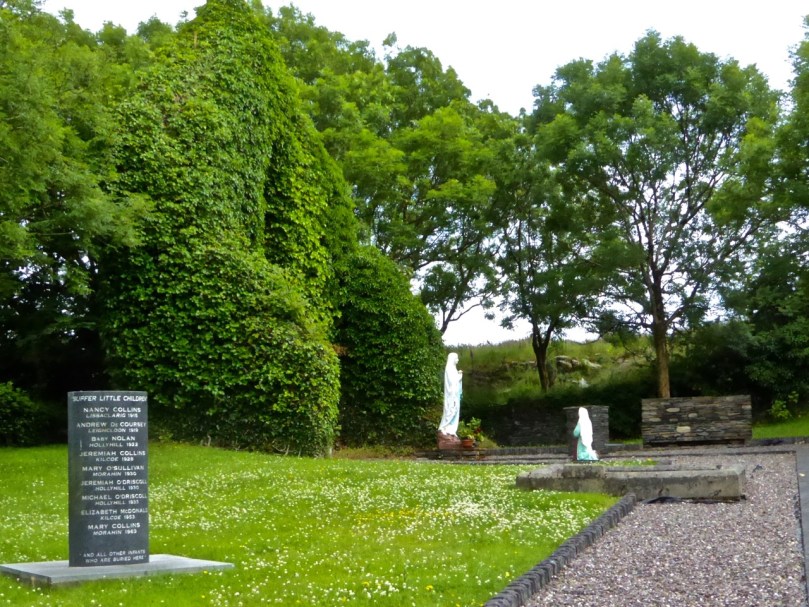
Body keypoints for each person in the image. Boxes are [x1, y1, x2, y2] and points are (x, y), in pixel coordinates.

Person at [438, 352, 462, 436]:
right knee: (450, 410)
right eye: (456, 358)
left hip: (455, 394)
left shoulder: (454, 369)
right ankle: (444, 427)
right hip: (451, 395)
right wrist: (459, 376)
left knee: (455, 411)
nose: (457, 360)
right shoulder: (449, 369)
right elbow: (452, 382)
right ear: (452, 359)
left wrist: (458, 374)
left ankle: (451, 429)